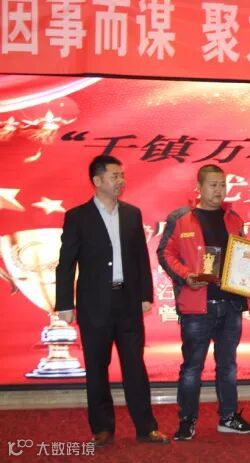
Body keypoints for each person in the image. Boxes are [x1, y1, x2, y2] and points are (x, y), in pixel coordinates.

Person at [55, 155, 169, 447]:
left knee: (135, 366)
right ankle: (102, 428)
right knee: (96, 368)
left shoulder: (132, 214)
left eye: (122, 176)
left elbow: (141, 258)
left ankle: (146, 427)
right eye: (114, 176)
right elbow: (66, 263)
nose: (121, 181)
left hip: (128, 302)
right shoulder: (77, 216)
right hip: (94, 304)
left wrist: (145, 295)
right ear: (97, 180)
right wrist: (65, 304)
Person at [157, 164, 250, 440]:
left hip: (232, 303)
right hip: (197, 306)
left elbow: (244, 256)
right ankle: (187, 420)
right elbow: (165, 253)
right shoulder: (181, 217)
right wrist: (186, 276)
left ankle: (228, 417)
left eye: (223, 185)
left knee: (228, 365)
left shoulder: (233, 219)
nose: (219, 190)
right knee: (192, 367)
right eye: (213, 185)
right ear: (198, 188)